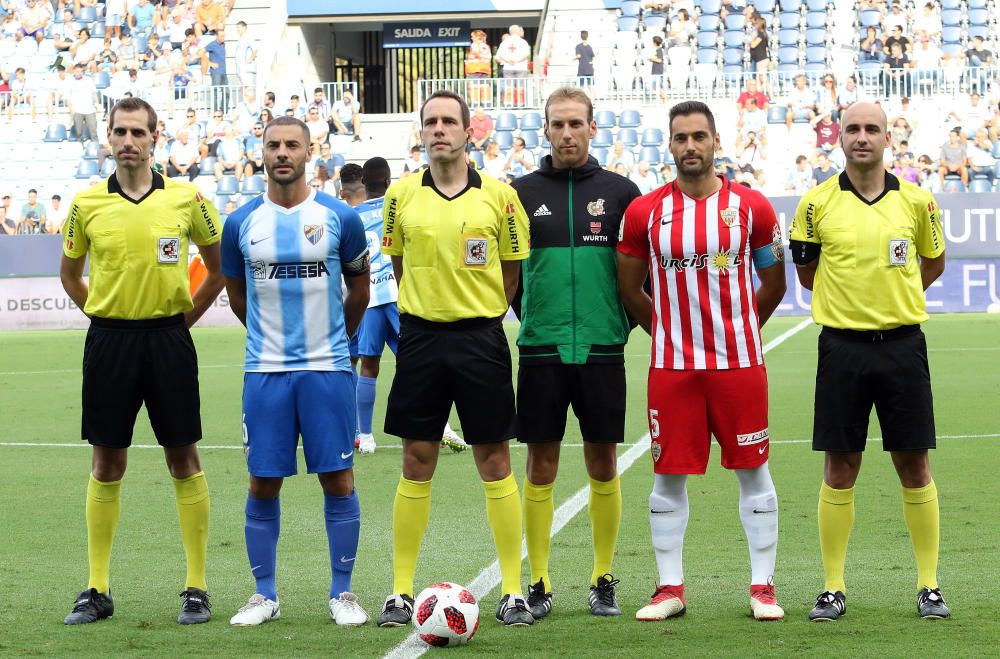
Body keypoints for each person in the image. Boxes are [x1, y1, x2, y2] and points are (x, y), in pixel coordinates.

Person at [617, 100, 787, 623]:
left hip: (739, 366)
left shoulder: (753, 207)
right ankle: (669, 588)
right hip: (673, 369)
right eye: (680, 138)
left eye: (699, 137)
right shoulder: (645, 212)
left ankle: (762, 588)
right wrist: (668, 332)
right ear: (669, 145)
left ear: (716, 141)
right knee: (668, 475)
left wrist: (737, 329)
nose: (690, 146)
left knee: (754, 470)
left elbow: (774, 282)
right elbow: (629, 286)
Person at [59, 97, 224, 626]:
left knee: (184, 457)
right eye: (119, 132)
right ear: (107, 139)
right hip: (109, 342)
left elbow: (217, 270)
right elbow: (70, 274)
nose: (128, 141)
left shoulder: (188, 198)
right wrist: (104, 316)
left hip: (168, 341)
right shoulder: (86, 204)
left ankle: (196, 586)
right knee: (107, 462)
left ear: (156, 137)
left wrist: (181, 324)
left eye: (138, 132)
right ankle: (97, 587)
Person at [375, 89, 533, 628]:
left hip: (481, 341)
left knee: (495, 460)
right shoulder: (400, 196)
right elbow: (397, 263)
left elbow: (511, 273)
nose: (439, 129)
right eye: (430, 122)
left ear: (469, 132)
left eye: (449, 121)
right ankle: (399, 592)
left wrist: (478, 309)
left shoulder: (500, 197)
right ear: (421, 132)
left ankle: (513, 591)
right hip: (420, 340)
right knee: (417, 459)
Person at [789, 101, 949, 622]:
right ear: (839, 137)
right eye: (853, 129)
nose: (862, 137)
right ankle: (833, 586)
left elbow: (934, 261)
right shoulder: (815, 204)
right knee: (840, 466)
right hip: (841, 348)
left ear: (888, 139)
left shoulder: (919, 201)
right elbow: (808, 274)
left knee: (914, 463)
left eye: (872, 129)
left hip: (904, 347)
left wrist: (895, 300)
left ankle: (929, 585)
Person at [221, 115, 371, 627]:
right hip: (264, 372)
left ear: (310, 153)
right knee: (263, 483)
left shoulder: (338, 218)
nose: (282, 153)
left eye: (292, 145)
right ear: (260, 153)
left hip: (327, 369)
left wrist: (336, 340)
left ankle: (343, 592)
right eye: (273, 145)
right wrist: (268, 336)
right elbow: (238, 297)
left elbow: (361, 290)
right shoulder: (240, 223)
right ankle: (264, 594)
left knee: (339, 479)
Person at [509, 87, 641, 621]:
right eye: (557, 124)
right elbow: (509, 275)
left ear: (592, 128)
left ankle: (602, 577)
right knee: (541, 465)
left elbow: (638, 270)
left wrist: (619, 322)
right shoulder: (518, 192)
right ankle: (538, 579)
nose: (567, 133)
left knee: (603, 462)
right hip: (541, 346)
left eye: (576, 124)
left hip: (602, 346)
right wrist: (533, 314)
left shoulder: (621, 192)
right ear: (545, 130)